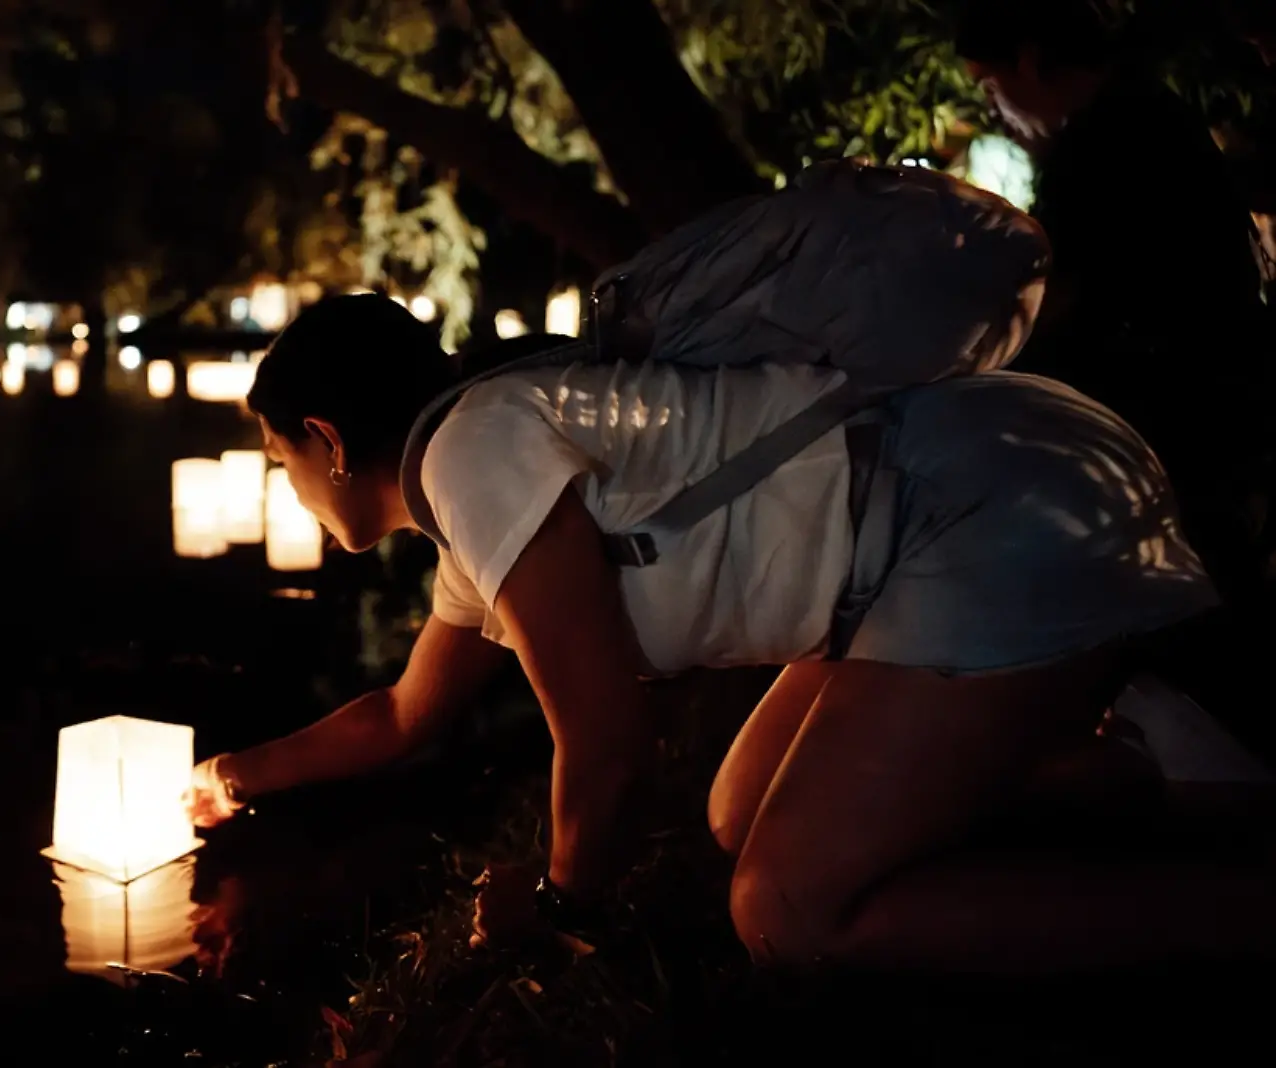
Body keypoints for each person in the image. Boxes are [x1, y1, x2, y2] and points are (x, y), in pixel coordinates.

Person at [183, 293, 1276, 975]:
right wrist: (236, 777)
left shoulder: (475, 455)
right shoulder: (472, 491)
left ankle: (1242, 914)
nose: (290, 486)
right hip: (917, 538)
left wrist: (560, 902)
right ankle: (1134, 756)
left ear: (325, 441)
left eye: (282, 461)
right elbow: (402, 716)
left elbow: (608, 743)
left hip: (977, 505)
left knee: (786, 915)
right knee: (734, 813)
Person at [956, 0, 1273, 610]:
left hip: (1177, 443)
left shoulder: (1103, 142)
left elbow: (1055, 301)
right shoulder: (1148, 112)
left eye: (991, 87)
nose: (995, 111)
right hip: (1218, 420)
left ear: (1027, 60)